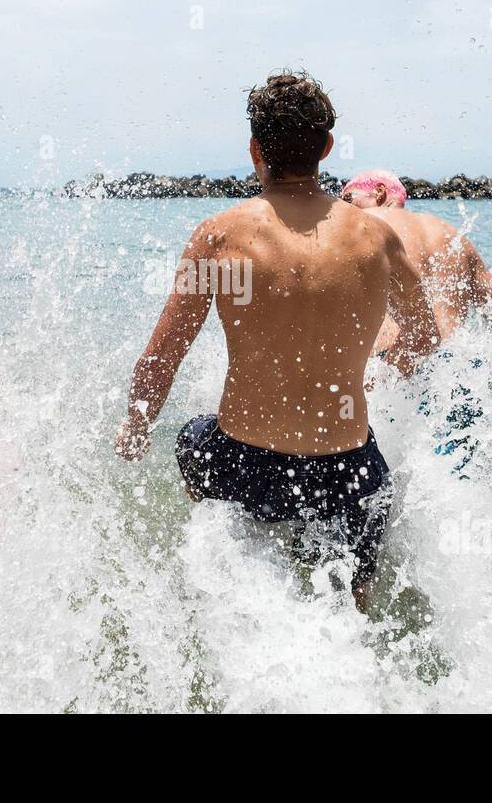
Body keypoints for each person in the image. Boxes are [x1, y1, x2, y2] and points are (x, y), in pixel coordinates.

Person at [115, 72, 439, 611]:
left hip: (245, 466)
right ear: (327, 148)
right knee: (350, 621)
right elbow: (425, 336)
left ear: (254, 148)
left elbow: (162, 356)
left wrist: (136, 425)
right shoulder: (377, 237)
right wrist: (377, 370)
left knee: (191, 442)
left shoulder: (220, 236)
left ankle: (234, 575)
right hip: (348, 470)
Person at [340, 169, 492, 347]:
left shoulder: (366, 225)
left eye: (348, 199)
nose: (344, 208)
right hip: (450, 362)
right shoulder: (454, 236)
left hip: (392, 363)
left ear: (379, 192)